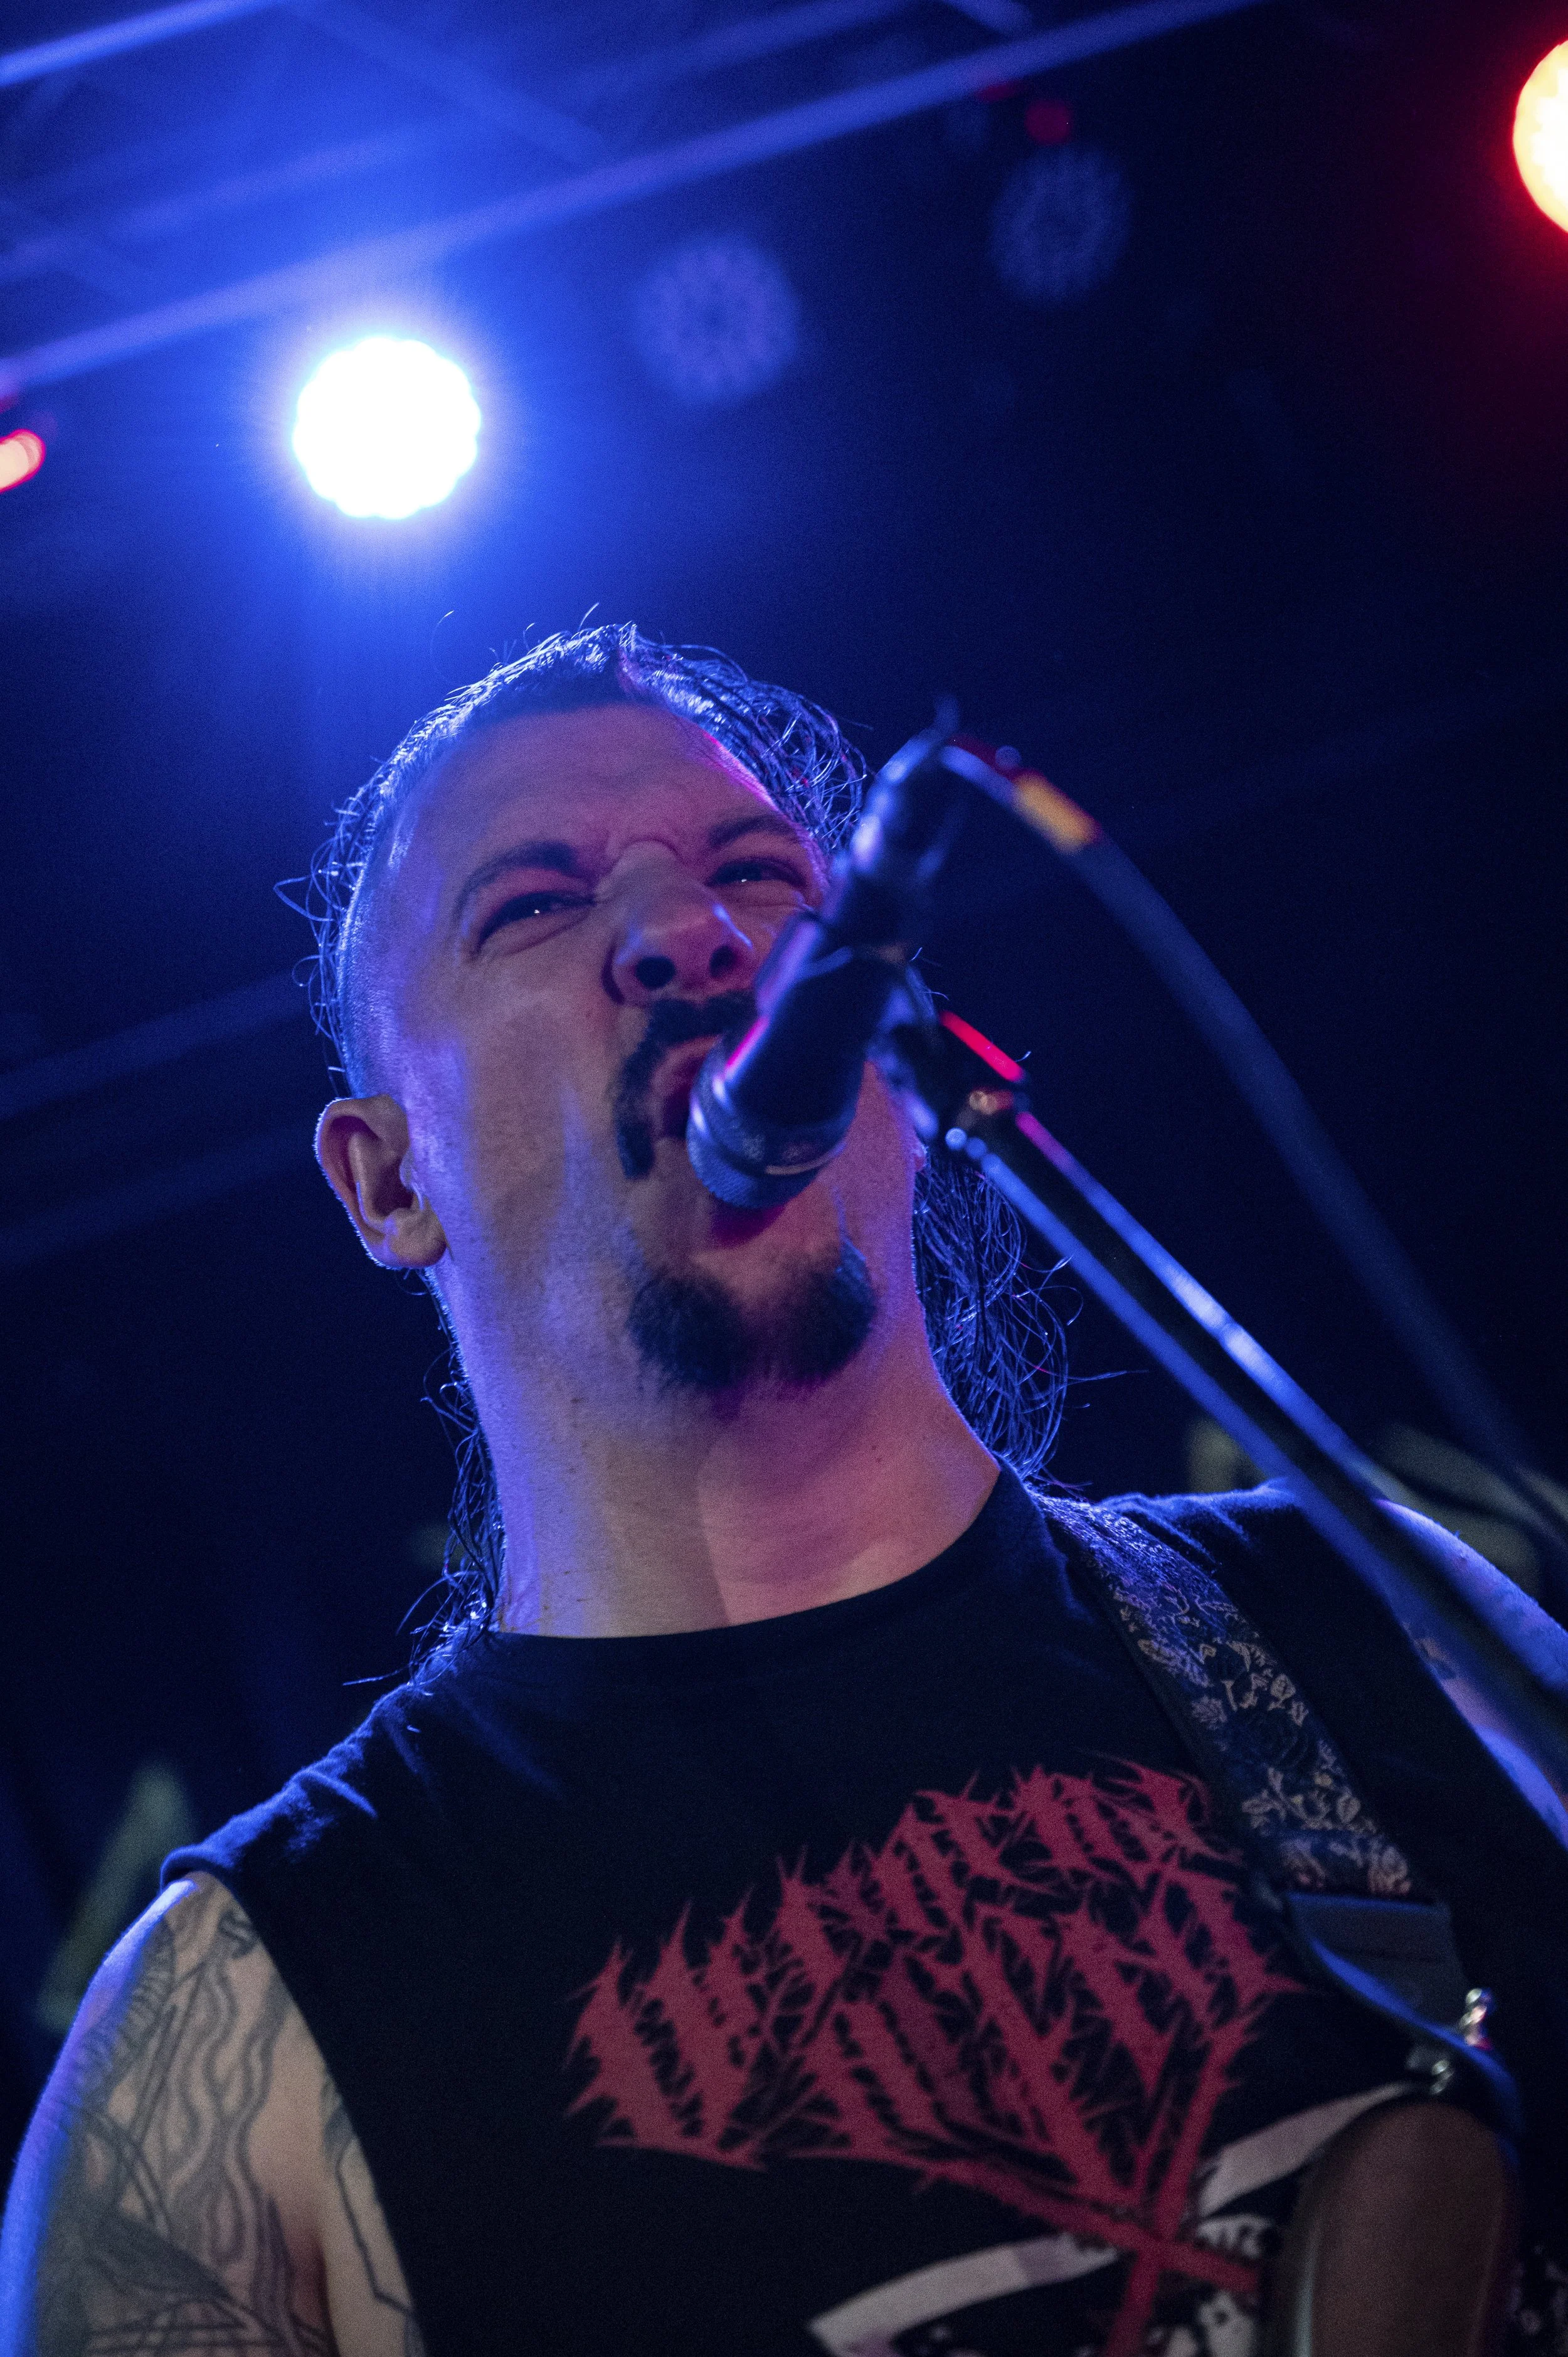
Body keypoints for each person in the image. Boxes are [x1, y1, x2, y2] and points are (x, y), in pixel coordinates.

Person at [3, 625, 1567, 2357]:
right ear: (384, 1179)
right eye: (534, 904)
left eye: (758, 873)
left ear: (894, 1040)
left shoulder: (1377, 1631)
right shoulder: (254, 2029)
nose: (692, 933)